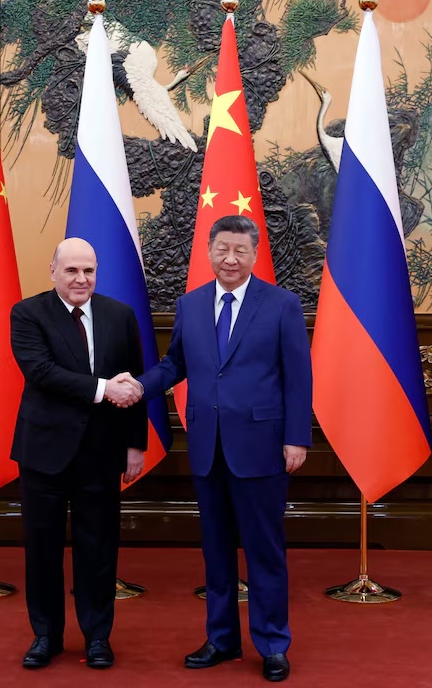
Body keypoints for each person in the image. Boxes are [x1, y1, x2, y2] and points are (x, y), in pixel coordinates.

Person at [113, 215, 312, 682]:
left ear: (254, 253)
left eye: (240, 250)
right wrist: (141, 387)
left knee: (264, 552)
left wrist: (297, 437)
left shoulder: (282, 304)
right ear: (208, 250)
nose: (230, 258)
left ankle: (272, 643)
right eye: (222, 249)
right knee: (216, 552)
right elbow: (176, 363)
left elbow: (298, 377)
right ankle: (221, 639)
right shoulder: (192, 304)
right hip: (207, 446)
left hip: (263, 447)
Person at [10, 237, 146, 670]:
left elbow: (136, 384)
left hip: (101, 454)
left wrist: (135, 444)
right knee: (43, 551)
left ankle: (97, 638)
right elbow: (42, 372)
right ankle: (45, 636)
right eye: (71, 270)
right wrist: (105, 389)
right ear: (52, 271)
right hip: (44, 454)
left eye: (88, 270)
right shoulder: (28, 314)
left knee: (99, 551)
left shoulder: (119, 316)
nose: (81, 279)